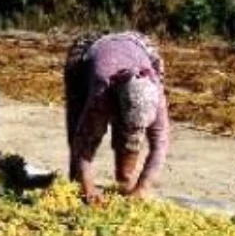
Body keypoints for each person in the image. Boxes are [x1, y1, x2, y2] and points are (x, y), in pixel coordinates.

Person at [64, 31, 170, 203]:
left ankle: (126, 179)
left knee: (128, 174)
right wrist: (88, 188)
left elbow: (160, 144)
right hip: (90, 53)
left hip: (139, 46)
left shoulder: (155, 92)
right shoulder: (101, 92)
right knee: (78, 124)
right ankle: (79, 181)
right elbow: (83, 142)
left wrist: (143, 187)